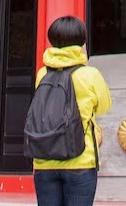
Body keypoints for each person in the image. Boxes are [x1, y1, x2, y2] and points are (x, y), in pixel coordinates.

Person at [32, 16, 112, 206]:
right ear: (82, 42)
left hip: (44, 159)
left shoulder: (42, 74)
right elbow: (104, 106)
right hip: (80, 159)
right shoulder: (89, 74)